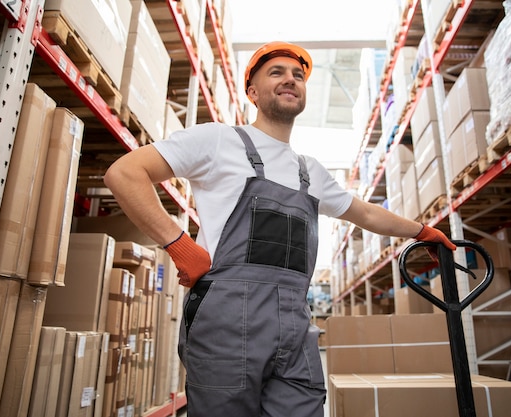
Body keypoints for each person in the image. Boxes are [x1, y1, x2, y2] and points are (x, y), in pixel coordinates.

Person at [104, 41, 456, 417]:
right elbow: (125, 173)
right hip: (226, 322)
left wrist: (421, 231)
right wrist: (178, 244)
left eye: (298, 75)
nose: (290, 79)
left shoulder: (310, 171)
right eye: (277, 72)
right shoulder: (218, 140)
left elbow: (366, 215)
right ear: (252, 92)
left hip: (293, 323)